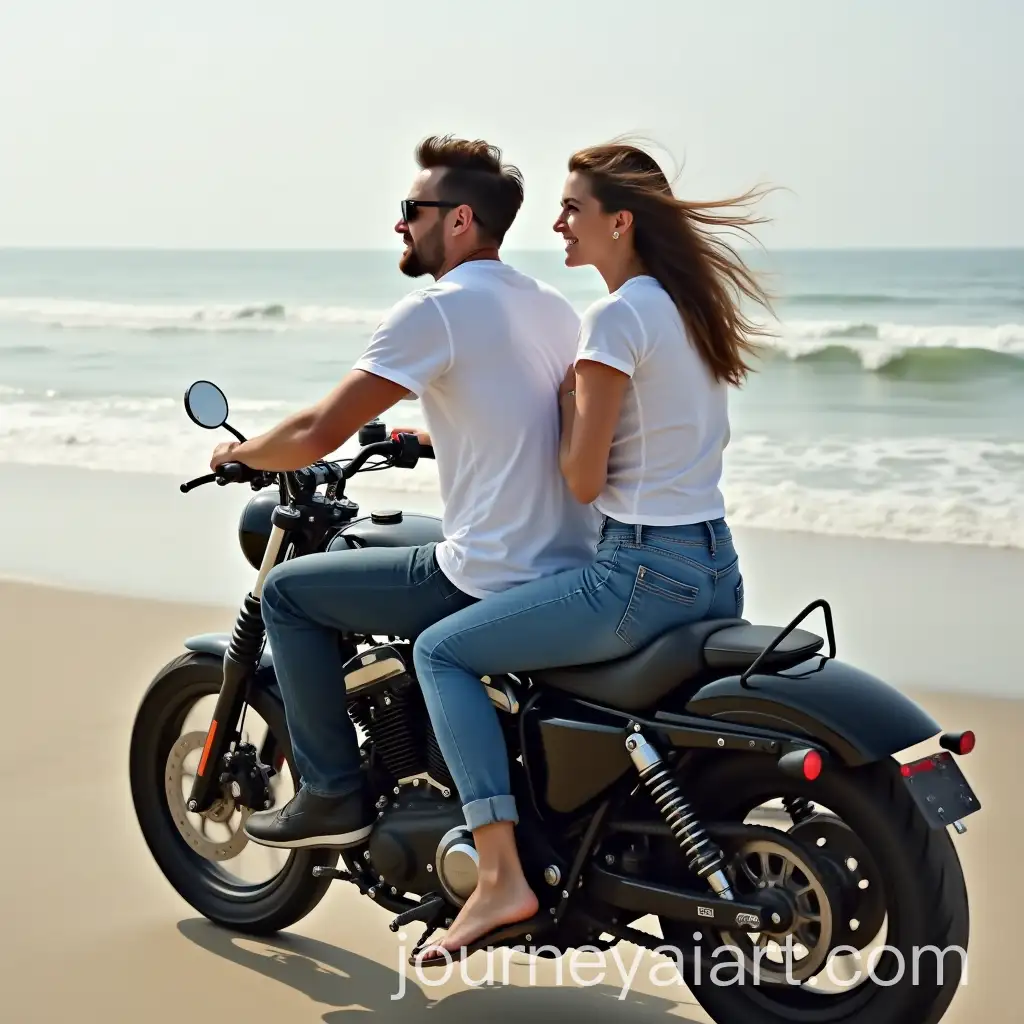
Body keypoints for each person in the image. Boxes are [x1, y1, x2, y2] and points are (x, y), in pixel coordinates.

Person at [410, 141, 776, 963]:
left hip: (640, 575)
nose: (558, 221)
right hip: (715, 567)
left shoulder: (614, 320)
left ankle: (501, 874)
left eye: (573, 207)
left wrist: (570, 395)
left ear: (621, 221)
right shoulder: (688, 307)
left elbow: (581, 479)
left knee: (442, 652)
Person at [211, 134, 601, 849]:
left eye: (411, 208)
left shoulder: (439, 310)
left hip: (491, 575)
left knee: (289, 594)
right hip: (570, 567)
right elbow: (533, 421)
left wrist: (242, 452)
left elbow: (318, 431)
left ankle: (331, 794)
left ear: (458, 220)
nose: (399, 223)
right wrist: (429, 440)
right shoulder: (551, 307)